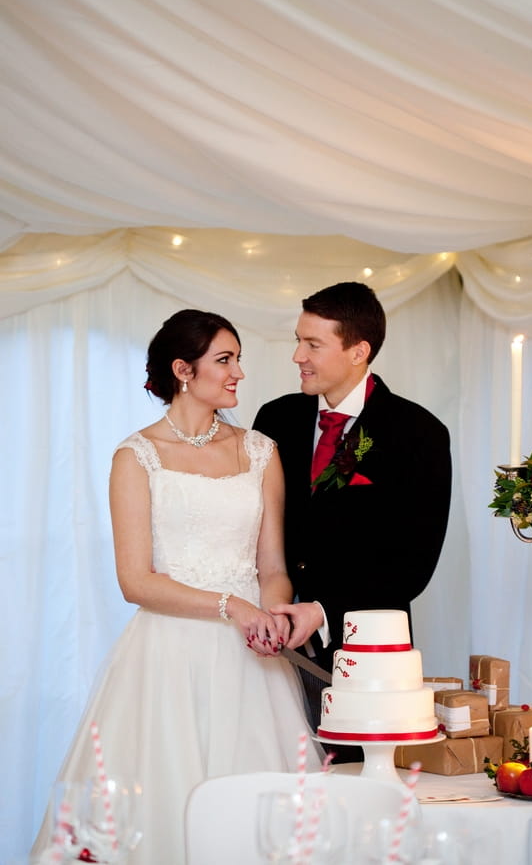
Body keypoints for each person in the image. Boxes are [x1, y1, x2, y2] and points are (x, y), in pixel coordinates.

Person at [32, 309, 321, 865]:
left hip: (251, 664)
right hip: (166, 658)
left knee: (259, 822)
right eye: (224, 359)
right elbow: (135, 581)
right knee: (162, 809)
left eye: (238, 359)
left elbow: (271, 565)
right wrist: (230, 606)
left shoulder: (260, 451)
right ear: (183, 369)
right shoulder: (135, 457)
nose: (238, 372)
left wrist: (276, 613)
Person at [253, 282, 452, 722]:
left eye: (313, 344)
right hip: (269, 647)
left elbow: (413, 566)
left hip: (367, 656)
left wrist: (322, 611)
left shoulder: (419, 434)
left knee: (356, 782)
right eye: (298, 341)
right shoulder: (275, 419)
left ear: (358, 351)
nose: (297, 356)